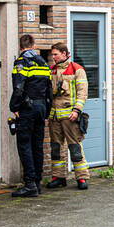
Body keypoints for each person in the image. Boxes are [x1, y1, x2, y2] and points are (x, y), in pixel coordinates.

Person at [9, 34, 52, 198]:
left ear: (21, 47)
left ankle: (30, 184)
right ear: (33, 46)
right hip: (41, 107)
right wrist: (47, 108)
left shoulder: (21, 62)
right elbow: (49, 88)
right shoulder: (43, 63)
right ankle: (37, 183)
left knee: (25, 145)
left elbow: (19, 87)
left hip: (27, 108)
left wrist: (14, 106)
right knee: (37, 145)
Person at [48, 42, 90, 190]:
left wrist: (77, 110)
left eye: (55, 54)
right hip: (54, 117)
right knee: (56, 148)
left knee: (75, 147)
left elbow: (82, 92)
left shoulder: (77, 70)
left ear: (64, 54)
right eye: (52, 54)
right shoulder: (51, 71)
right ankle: (58, 177)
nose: (53, 57)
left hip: (70, 117)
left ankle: (82, 178)